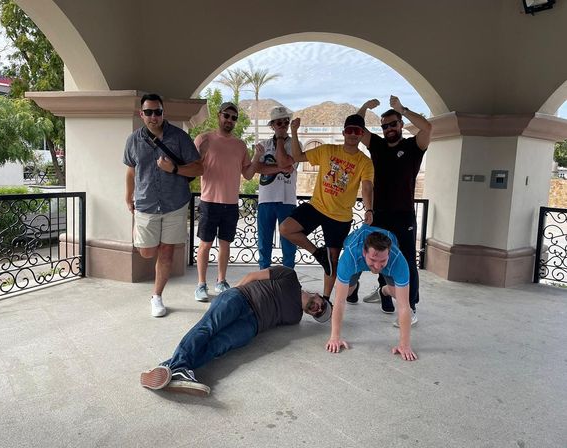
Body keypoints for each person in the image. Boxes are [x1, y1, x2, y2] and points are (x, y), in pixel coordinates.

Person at [139, 266, 331, 396]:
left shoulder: (295, 317)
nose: (318, 309)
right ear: (318, 295)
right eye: (322, 305)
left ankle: (167, 368)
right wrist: (230, 294)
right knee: (207, 329)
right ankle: (178, 367)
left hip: (252, 326)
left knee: (218, 346)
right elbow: (253, 276)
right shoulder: (290, 276)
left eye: (319, 314)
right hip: (241, 298)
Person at [279, 114, 374, 302]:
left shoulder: (365, 162)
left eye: (357, 131)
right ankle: (318, 253)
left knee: (333, 261)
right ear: (343, 132)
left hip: (340, 216)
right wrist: (294, 132)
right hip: (316, 206)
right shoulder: (327, 150)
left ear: (362, 134)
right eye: (349, 130)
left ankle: (326, 298)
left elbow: (367, 186)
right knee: (285, 228)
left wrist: (368, 209)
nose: (353, 134)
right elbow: (297, 156)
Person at [124, 93, 203, 317]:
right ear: (141, 114)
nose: (153, 116)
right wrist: (128, 196)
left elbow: (199, 168)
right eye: (148, 112)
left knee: (166, 253)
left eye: (157, 111)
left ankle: (157, 296)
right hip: (146, 204)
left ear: (162, 113)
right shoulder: (133, 140)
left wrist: (174, 169)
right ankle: (148, 238)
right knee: (148, 252)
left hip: (174, 204)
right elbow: (131, 170)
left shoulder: (179, 138)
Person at [355, 96, 432, 323]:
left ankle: (411, 306)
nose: (389, 129)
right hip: (379, 214)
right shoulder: (377, 145)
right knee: (380, 256)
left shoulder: (413, 146)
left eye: (393, 124)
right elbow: (357, 127)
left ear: (400, 125)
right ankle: (385, 295)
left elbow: (428, 127)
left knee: (407, 260)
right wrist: (364, 107)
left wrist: (402, 109)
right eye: (385, 126)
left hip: (404, 214)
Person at [193, 102, 257, 302]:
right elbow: (193, 167)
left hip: (230, 203)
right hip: (209, 201)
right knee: (205, 245)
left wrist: (258, 157)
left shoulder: (239, 145)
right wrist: (200, 155)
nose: (230, 120)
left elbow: (247, 174)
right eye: (226, 116)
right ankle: (201, 285)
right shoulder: (204, 139)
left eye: (234, 117)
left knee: (225, 245)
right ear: (219, 116)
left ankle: (221, 281)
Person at [326, 225, 417, 361]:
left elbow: (404, 306)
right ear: (364, 253)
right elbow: (339, 301)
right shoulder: (350, 256)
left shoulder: (398, 260)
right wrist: (334, 337)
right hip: (355, 258)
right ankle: (354, 285)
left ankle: (384, 290)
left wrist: (405, 345)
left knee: (399, 295)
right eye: (373, 260)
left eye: (382, 261)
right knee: (346, 292)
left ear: (389, 254)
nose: (377, 266)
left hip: (388, 252)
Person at [255, 106, 298, 270]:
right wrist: (280, 168)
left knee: (289, 242)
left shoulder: (296, 144)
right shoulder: (263, 144)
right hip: (266, 199)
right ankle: (264, 275)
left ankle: (288, 276)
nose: (283, 125)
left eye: (286, 122)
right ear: (272, 125)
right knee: (264, 241)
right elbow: (258, 168)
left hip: (287, 200)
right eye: (279, 122)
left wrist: (280, 140)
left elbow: (283, 161)